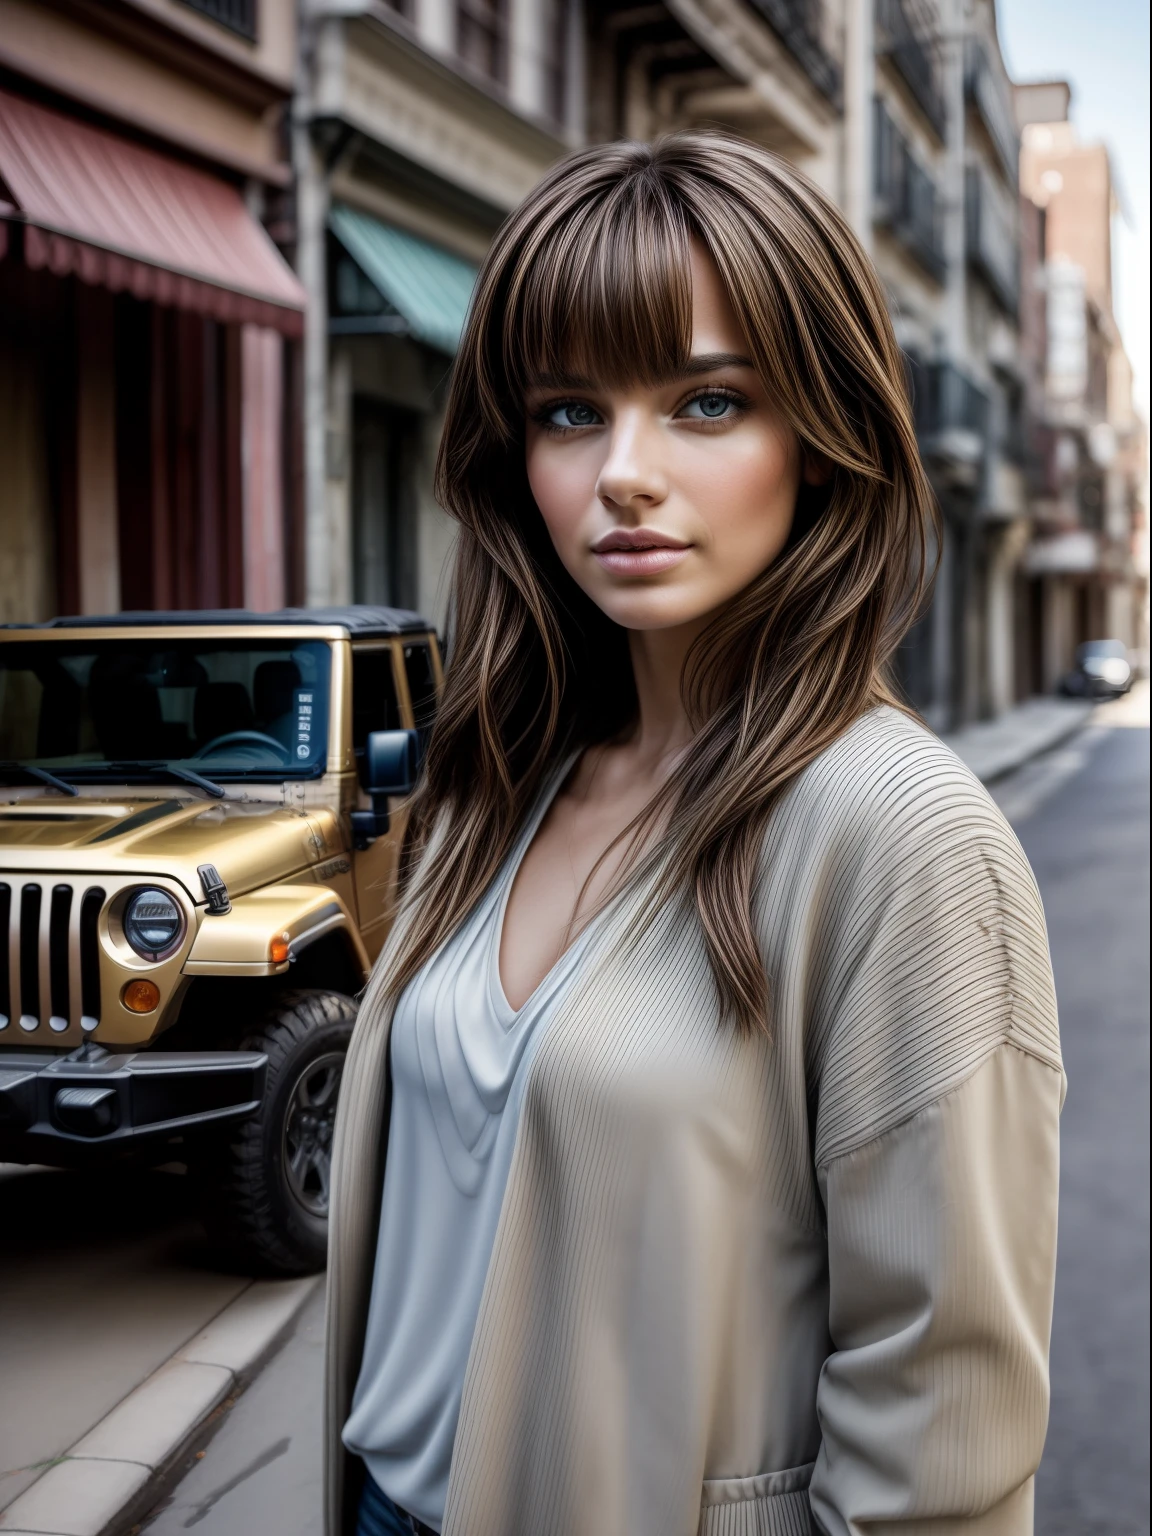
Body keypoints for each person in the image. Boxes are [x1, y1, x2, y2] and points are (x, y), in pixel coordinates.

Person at [325, 133, 1064, 1536]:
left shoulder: (899, 834)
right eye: (566, 412)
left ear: (820, 433)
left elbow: (942, 1439)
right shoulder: (502, 779)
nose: (624, 474)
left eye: (708, 402)